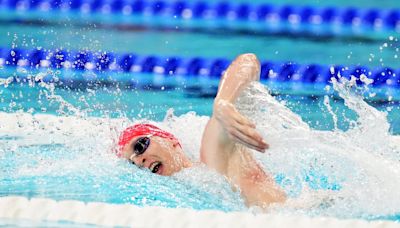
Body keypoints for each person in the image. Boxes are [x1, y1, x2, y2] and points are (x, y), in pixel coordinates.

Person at [117, 53, 286, 208]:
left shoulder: (213, 160)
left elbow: (248, 61)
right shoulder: (185, 194)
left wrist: (223, 103)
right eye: (133, 163)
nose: (139, 160)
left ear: (169, 139)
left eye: (139, 146)